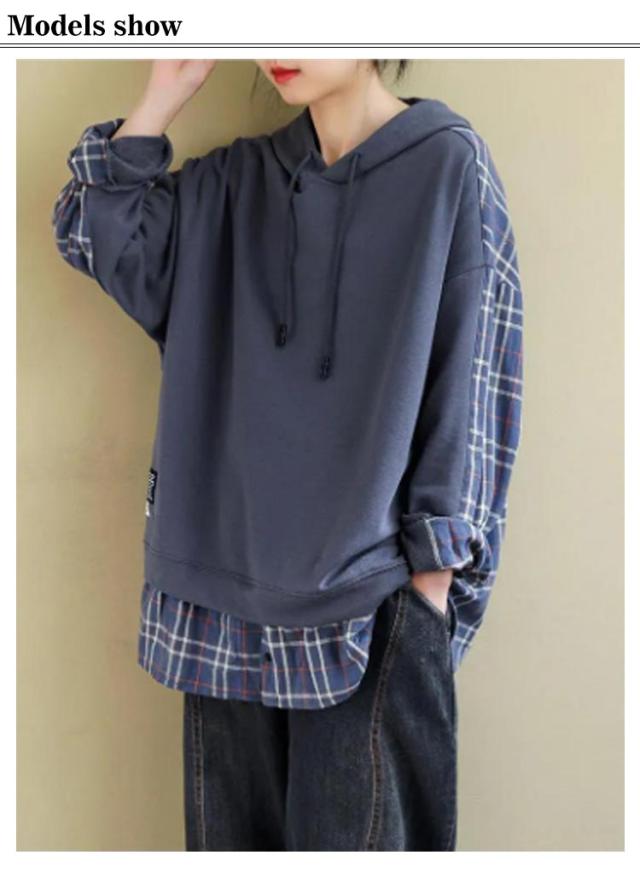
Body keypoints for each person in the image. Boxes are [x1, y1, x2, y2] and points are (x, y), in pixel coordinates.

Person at [52, 58, 524, 851]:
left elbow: (475, 384)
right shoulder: (232, 184)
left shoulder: (446, 163)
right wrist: (165, 93)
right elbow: (95, 230)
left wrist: (431, 589)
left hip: (368, 610)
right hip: (218, 607)